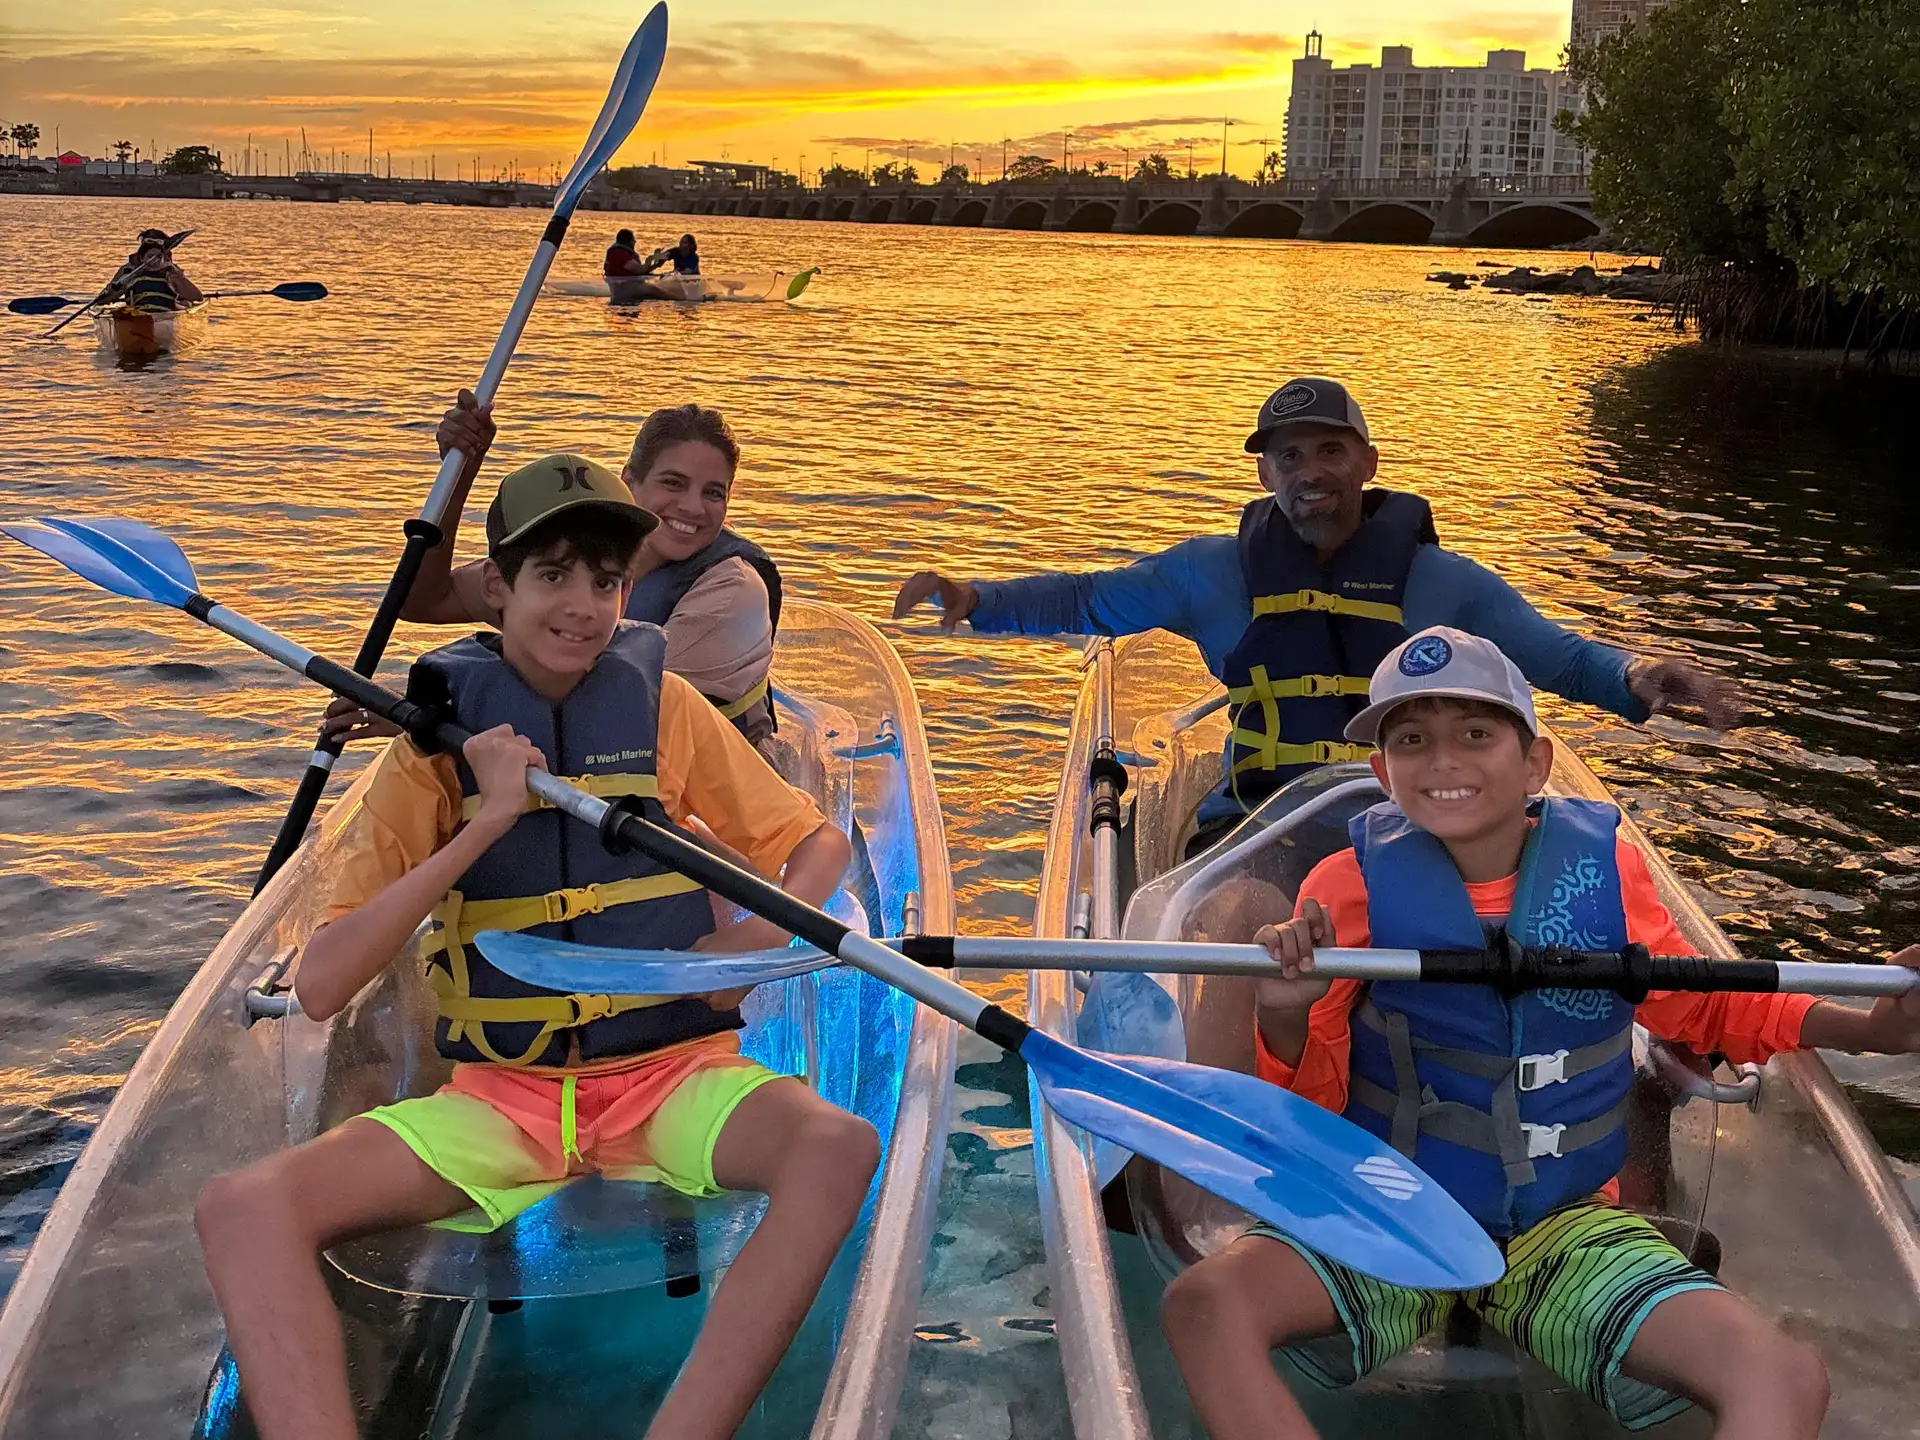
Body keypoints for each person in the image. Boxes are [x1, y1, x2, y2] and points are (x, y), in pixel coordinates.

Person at [195, 454, 872, 1440]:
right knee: (241, 1208)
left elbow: (814, 842)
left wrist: (743, 950)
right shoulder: (429, 750)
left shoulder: (663, 706)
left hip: (670, 1076)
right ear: (500, 587)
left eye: (606, 581)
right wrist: (482, 821)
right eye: (555, 576)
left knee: (835, 1147)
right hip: (499, 1106)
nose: (585, 607)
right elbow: (326, 982)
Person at [1159, 626, 1920, 1440]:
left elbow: (1709, 1009)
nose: (1442, 761)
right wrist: (1283, 1009)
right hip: (1393, 1206)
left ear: (1536, 763)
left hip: (1565, 1222)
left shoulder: (1608, 877)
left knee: (1784, 1375)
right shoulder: (1345, 887)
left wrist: (1872, 1027)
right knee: (1206, 1304)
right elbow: (1308, 1101)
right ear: (1383, 773)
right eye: (1410, 740)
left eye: (1475, 734)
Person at [892, 377, 1739, 859]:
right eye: (1288, 456)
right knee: (1236, 929)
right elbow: (1088, 599)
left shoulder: (1441, 582)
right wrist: (977, 602)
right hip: (1262, 818)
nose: (1310, 471)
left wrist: (1643, 678)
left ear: (1366, 463)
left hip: (1417, 823)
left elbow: (1555, 659)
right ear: (1266, 475)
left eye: (1330, 450)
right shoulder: (1209, 573)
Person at [325, 394, 781, 750]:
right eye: (673, 483)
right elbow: (425, 599)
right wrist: (461, 471)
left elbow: (629, 720)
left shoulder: (733, 590)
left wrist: (417, 718)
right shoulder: (580, 557)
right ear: (630, 479)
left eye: (714, 493)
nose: (692, 507)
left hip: (703, 799)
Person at [115, 228, 202, 312]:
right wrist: (116, 289)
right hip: (137, 315)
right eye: (150, 255)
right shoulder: (128, 270)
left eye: (158, 255)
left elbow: (196, 297)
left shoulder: (171, 270)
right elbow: (104, 298)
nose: (154, 259)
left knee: (182, 303)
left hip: (164, 316)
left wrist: (176, 278)